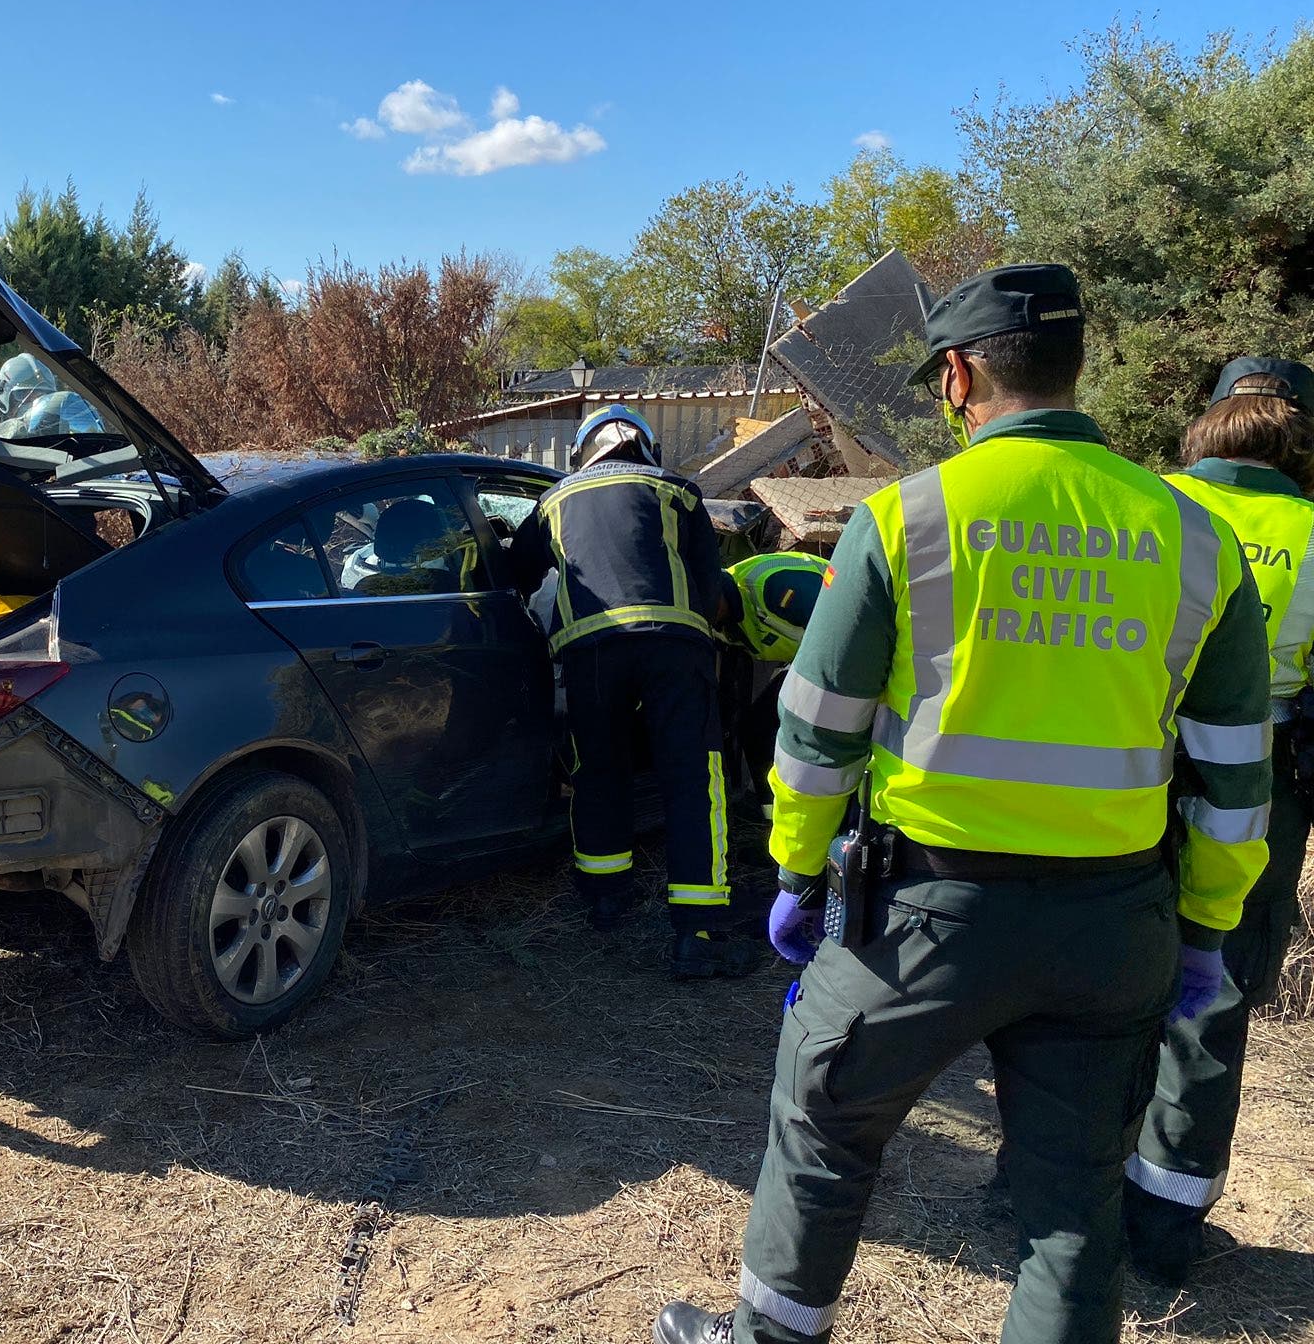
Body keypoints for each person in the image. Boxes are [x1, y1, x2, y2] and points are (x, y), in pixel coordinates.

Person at [653, 264, 1274, 1344]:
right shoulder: (1192, 536)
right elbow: (1234, 772)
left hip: (920, 918)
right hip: (1112, 923)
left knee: (824, 1125)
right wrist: (1206, 927)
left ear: (956, 378)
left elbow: (817, 733)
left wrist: (797, 870)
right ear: (1074, 368)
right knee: (1071, 1199)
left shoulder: (906, 518)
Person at [1125, 356, 1314, 1285]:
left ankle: (1049, 1182)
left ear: (1207, 422)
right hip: (1261, 780)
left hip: (1127, 770)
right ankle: (1164, 1223)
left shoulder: (1142, 507)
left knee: (1096, 978)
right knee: (1215, 990)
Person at [507, 404, 759, 979]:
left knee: (598, 770)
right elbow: (709, 588)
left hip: (589, 651)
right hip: (674, 648)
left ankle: (604, 898)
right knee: (693, 778)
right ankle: (697, 932)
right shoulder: (678, 492)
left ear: (584, 452)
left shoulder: (554, 500)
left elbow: (516, 574)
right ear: (647, 447)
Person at [714, 553, 832, 822]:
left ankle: (823, 818)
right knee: (755, 729)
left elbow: (843, 626)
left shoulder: (771, 586)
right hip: (806, 662)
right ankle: (772, 818)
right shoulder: (717, 620)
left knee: (803, 731)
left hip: (845, 660)